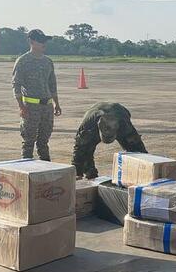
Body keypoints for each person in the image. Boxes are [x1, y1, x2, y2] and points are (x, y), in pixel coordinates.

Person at [12, 29, 62, 161]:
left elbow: (52, 84)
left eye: (44, 41)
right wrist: (21, 106)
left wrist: (57, 103)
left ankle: (45, 170)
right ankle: (26, 171)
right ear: (31, 42)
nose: (44, 44)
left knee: (43, 142)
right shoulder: (23, 61)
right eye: (41, 41)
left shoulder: (48, 62)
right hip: (30, 108)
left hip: (47, 107)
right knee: (28, 142)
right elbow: (16, 84)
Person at [72, 102, 147, 179]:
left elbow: (139, 149)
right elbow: (79, 150)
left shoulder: (124, 124)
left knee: (134, 150)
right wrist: (77, 172)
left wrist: (146, 167)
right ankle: (91, 174)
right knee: (86, 149)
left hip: (119, 111)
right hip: (94, 115)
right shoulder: (88, 125)